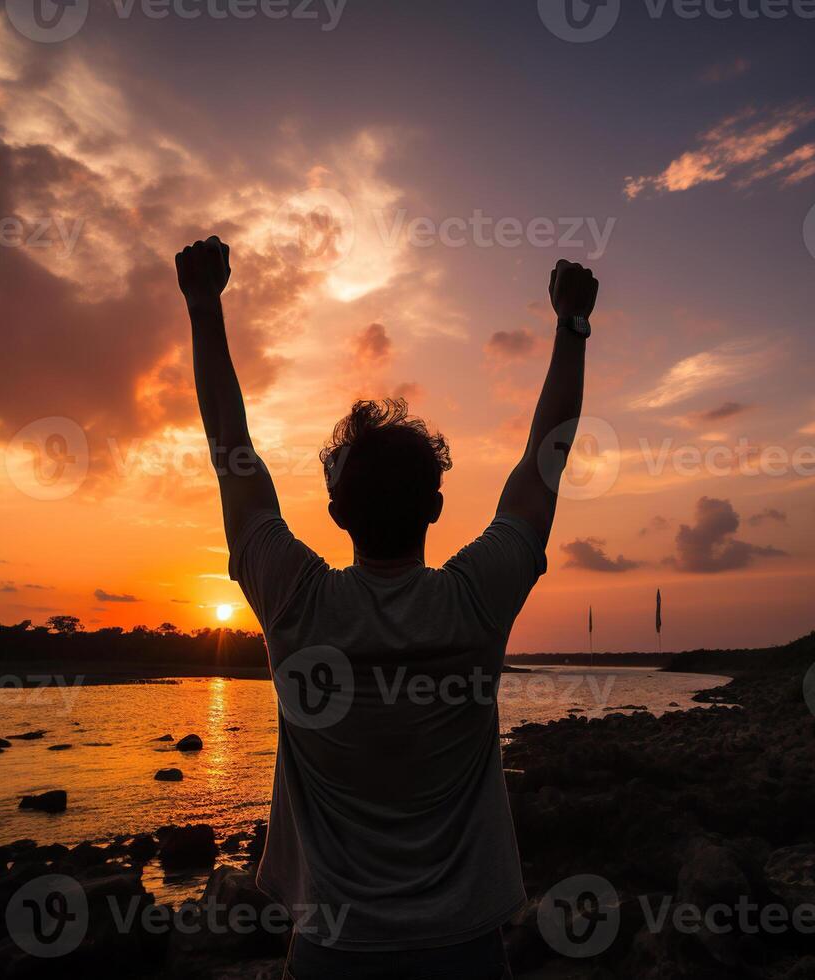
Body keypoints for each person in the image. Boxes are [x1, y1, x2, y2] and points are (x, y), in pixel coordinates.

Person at [175, 236, 596, 979]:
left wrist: (205, 306)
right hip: (463, 951)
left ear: (337, 517)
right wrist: (570, 325)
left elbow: (230, 448)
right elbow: (546, 455)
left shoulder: (298, 600)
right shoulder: (474, 599)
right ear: (436, 508)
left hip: (334, 953)